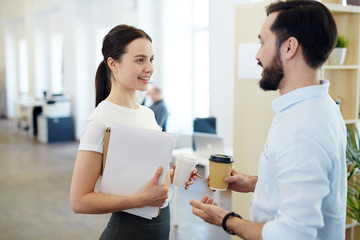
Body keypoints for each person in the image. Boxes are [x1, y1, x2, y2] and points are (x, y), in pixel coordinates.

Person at [190, 1, 347, 239]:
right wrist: (255, 182)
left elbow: (293, 234)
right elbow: (307, 187)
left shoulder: (302, 129)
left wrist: (225, 219)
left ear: (289, 47)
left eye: (262, 42)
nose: (257, 54)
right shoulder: (320, 106)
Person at [70, 24, 197, 240]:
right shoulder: (100, 121)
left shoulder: (147, 114)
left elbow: (137, 174)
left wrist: (171, 175)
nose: (149, 68)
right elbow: (79, 201)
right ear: (113, 64)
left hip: (160, 228)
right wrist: (140, 200)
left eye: (151, 59)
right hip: (127, 232)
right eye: (140, 60)